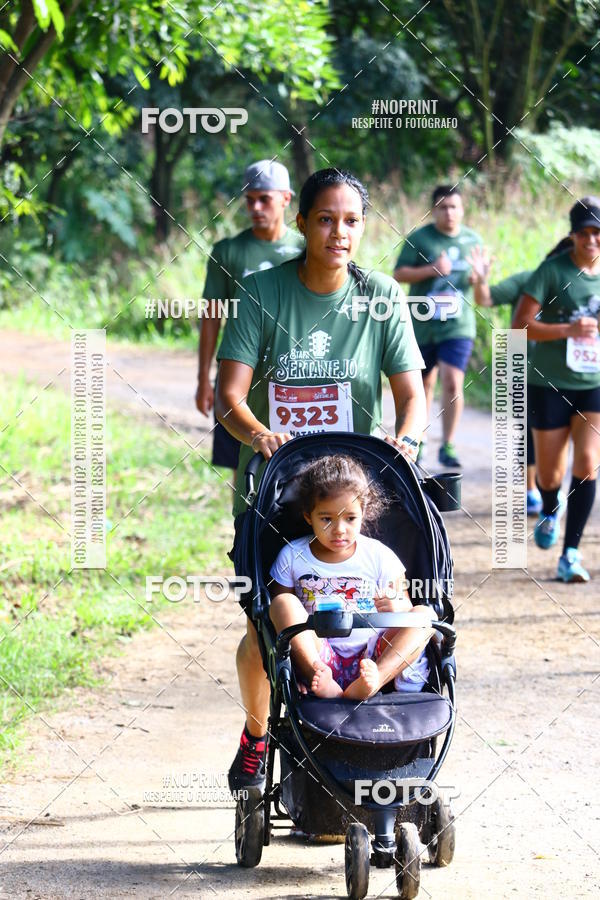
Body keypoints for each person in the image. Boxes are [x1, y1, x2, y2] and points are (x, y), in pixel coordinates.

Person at [215, 168, 427, 791]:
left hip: (352, 491)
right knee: (264, 626)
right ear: (302, 221)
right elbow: (229, 395)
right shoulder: (260, 292)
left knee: (380, 608)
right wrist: (258, 433)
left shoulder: (381, 295)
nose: (340, 232)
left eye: (353, 221)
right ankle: (257, 735)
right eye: (327, 219)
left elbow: (410, 394)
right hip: (279, 485)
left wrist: (407, 438)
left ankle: (372, 718)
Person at [269, 455, 434, 701]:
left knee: (424, 615)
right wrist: (302, 668)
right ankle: (322, 680)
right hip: (320, 659)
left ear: (363, 513)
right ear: (308, 516)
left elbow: (406, 609)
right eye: (326, 519)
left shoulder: (378, 555)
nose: (339, 529)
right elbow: (280, 622)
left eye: (350, 518)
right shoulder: (293, 556)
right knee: (282, 603)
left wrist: (398, 606)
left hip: (373, 657)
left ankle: (378, 678)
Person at [195, 160, 304, 476]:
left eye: (264, 199)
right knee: (244, 462)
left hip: (290, 369)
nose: (255, 207)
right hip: (240, 368)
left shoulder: (305, 248)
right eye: (250, 199)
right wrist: (205, 378)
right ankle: (247, 522)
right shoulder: (229, 252)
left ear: (285, 198)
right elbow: (212, 316)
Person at [513, 197, 600, 582]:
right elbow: (521, 325)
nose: (592, 241)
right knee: (550, 475)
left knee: (587, 463)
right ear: (573, 235)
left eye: (598, 234)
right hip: (548, 384)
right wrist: (568, 330)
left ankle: (571, 554)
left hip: (594, 384)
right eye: (585, 234)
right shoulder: (552, 271)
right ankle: (550, 507)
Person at [471, 241, 572, 516]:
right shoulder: (530, 281)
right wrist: (481, 280)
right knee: (528, 430)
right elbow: (486, 298)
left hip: (572, 376)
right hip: (526, 370)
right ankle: (530, 491)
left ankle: (550, 486)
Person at [394, 184, 485, 467]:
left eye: (454, 207)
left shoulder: (472, 240)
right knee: (423, 385)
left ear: (462, 209)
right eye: (443, 207)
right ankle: (415, 442)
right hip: (422, 323)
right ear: (433, 210)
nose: (449, 213)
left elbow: (480, 285)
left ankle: (447, 445)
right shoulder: (420, 239)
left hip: (458, 325)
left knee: (452, 381)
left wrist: (479, 278)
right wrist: (431, 269)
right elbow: (398, 273)